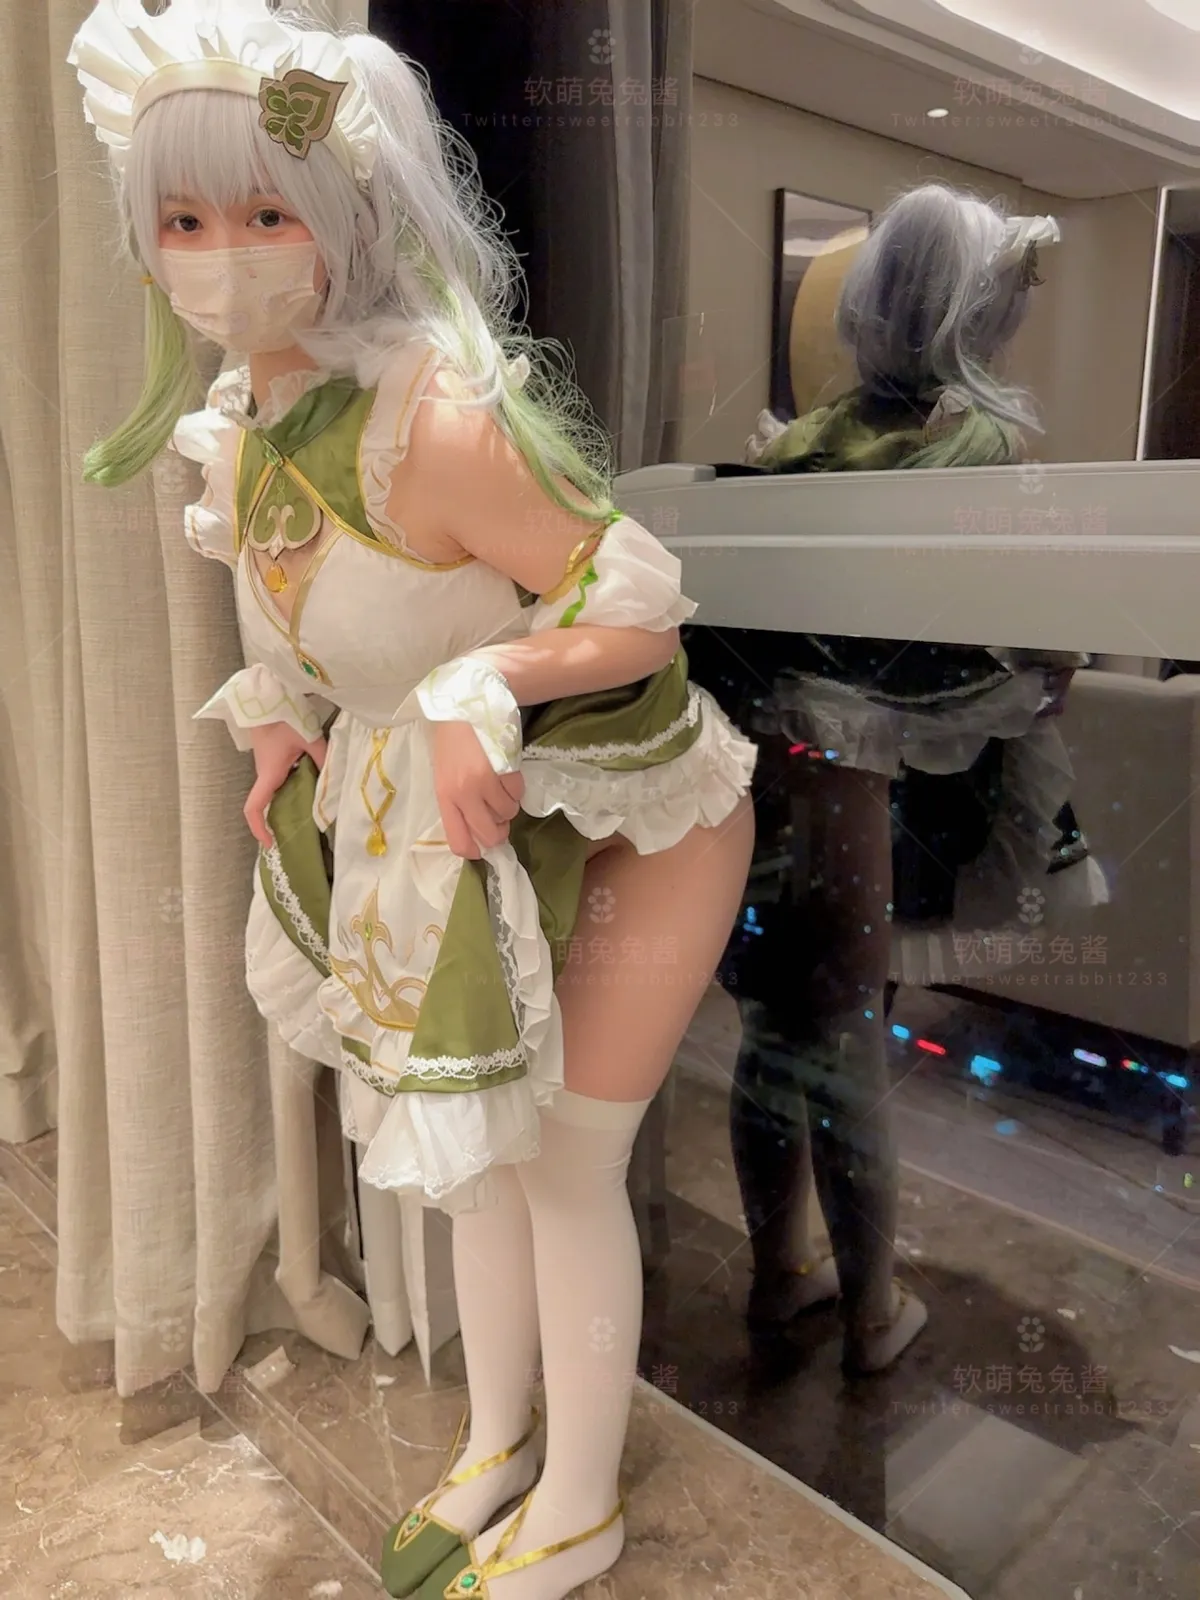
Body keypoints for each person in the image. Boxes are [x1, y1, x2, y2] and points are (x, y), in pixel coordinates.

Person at [69, 4, 757, 1597]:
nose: (220, 257)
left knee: (562, 1160)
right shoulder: (241, 436)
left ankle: (579, 1498)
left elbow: (638, 606)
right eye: (183, 221)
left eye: (266, 212)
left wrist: (480, 685)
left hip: (623, 809)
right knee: (485, 1151)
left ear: (349, 217)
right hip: (441, 819)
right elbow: (296, 628)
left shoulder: (435, 423)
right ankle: (497, 1443)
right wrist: (277, 730)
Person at [686, 182, 1104, 1373]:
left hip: (758, 772)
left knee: (775, 1026)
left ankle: (780, 1274)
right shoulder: (984, 450)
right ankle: (872, 1311)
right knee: (850, 1031)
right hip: (863, 785)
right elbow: (1042, 659)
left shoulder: (796, 445)